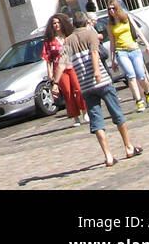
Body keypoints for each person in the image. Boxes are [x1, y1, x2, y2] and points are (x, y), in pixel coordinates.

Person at [53, 11, 143, 168]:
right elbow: (95, 53)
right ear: (86, 22)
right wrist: (96, 72)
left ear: (74, 24)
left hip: (86, 86)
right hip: (102, 82)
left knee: (96, 121)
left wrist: (55, 83)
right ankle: (128, 147)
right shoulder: (91, 34)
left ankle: (108, 155)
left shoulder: (67, 42)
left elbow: (61, 63)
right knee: (117, 114)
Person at [41, 13, 88, 125]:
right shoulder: (49, 41)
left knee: (78, 89)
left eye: (58, 23)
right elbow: (48, 58)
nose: (56, 25)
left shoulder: (69, 36)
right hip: (59, 70)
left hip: (73, 66)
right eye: (54, 23)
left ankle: (85, 112)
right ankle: (75, 116)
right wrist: (50, 73)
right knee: (67, 92)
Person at [106, 0, 149, 109]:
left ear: (117, 8)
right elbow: (112, 43)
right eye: (109, 9)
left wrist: (147, 45)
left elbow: (137, 31)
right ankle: (139, 101)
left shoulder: (126, 18)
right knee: (130, 76)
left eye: (113, 8)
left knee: (141, 75)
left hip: (134, 49)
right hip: (121, 52)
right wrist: (112, 61)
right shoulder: (110, 26)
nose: (111, 11)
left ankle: (147, 92)